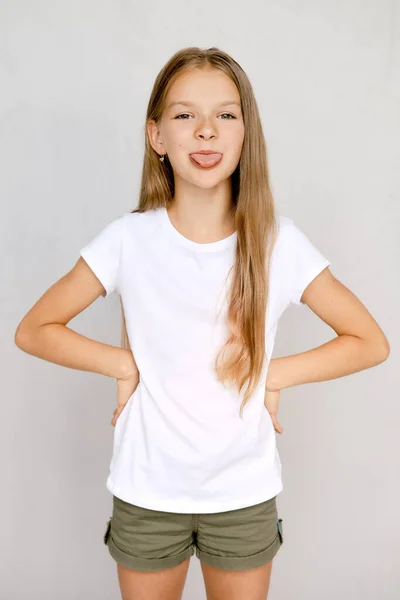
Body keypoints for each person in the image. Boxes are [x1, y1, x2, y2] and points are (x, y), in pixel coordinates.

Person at [15, 46, 390, 600]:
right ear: (157, 136)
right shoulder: (128, 239)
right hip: (147, 493)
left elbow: (370, 342)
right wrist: (121, 362)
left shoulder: (275, 242)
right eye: (185, 115)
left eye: (226, 115)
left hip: (243, 495)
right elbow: (34, 329)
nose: (207, 131)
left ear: (246, 134)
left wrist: (272, 375)